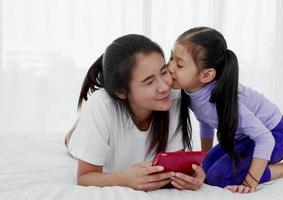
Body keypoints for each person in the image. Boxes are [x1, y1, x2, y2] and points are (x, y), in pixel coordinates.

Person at [167, 27, 283, 193]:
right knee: (205, 170)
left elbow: (265, 138)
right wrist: (205, 155)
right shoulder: (189, 92)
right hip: (243, 138)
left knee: (219, 177)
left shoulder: (225, 99)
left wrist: (249, 183)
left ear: (206, 75)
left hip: (276, 134)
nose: (170, 67)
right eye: (171, 58)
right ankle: (254, 162)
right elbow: (204, 119)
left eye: (179, 64)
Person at [65, 34, 205, 191]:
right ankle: (74, 132)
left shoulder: (174, 97)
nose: (164, 87)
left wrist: (190, 178)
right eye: (149, 82)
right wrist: (123, 179)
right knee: (74, 141)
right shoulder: (102, 104)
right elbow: (85, 177)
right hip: (88, 130)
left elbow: (174, 168)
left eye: (164, 71)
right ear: (121, 92)